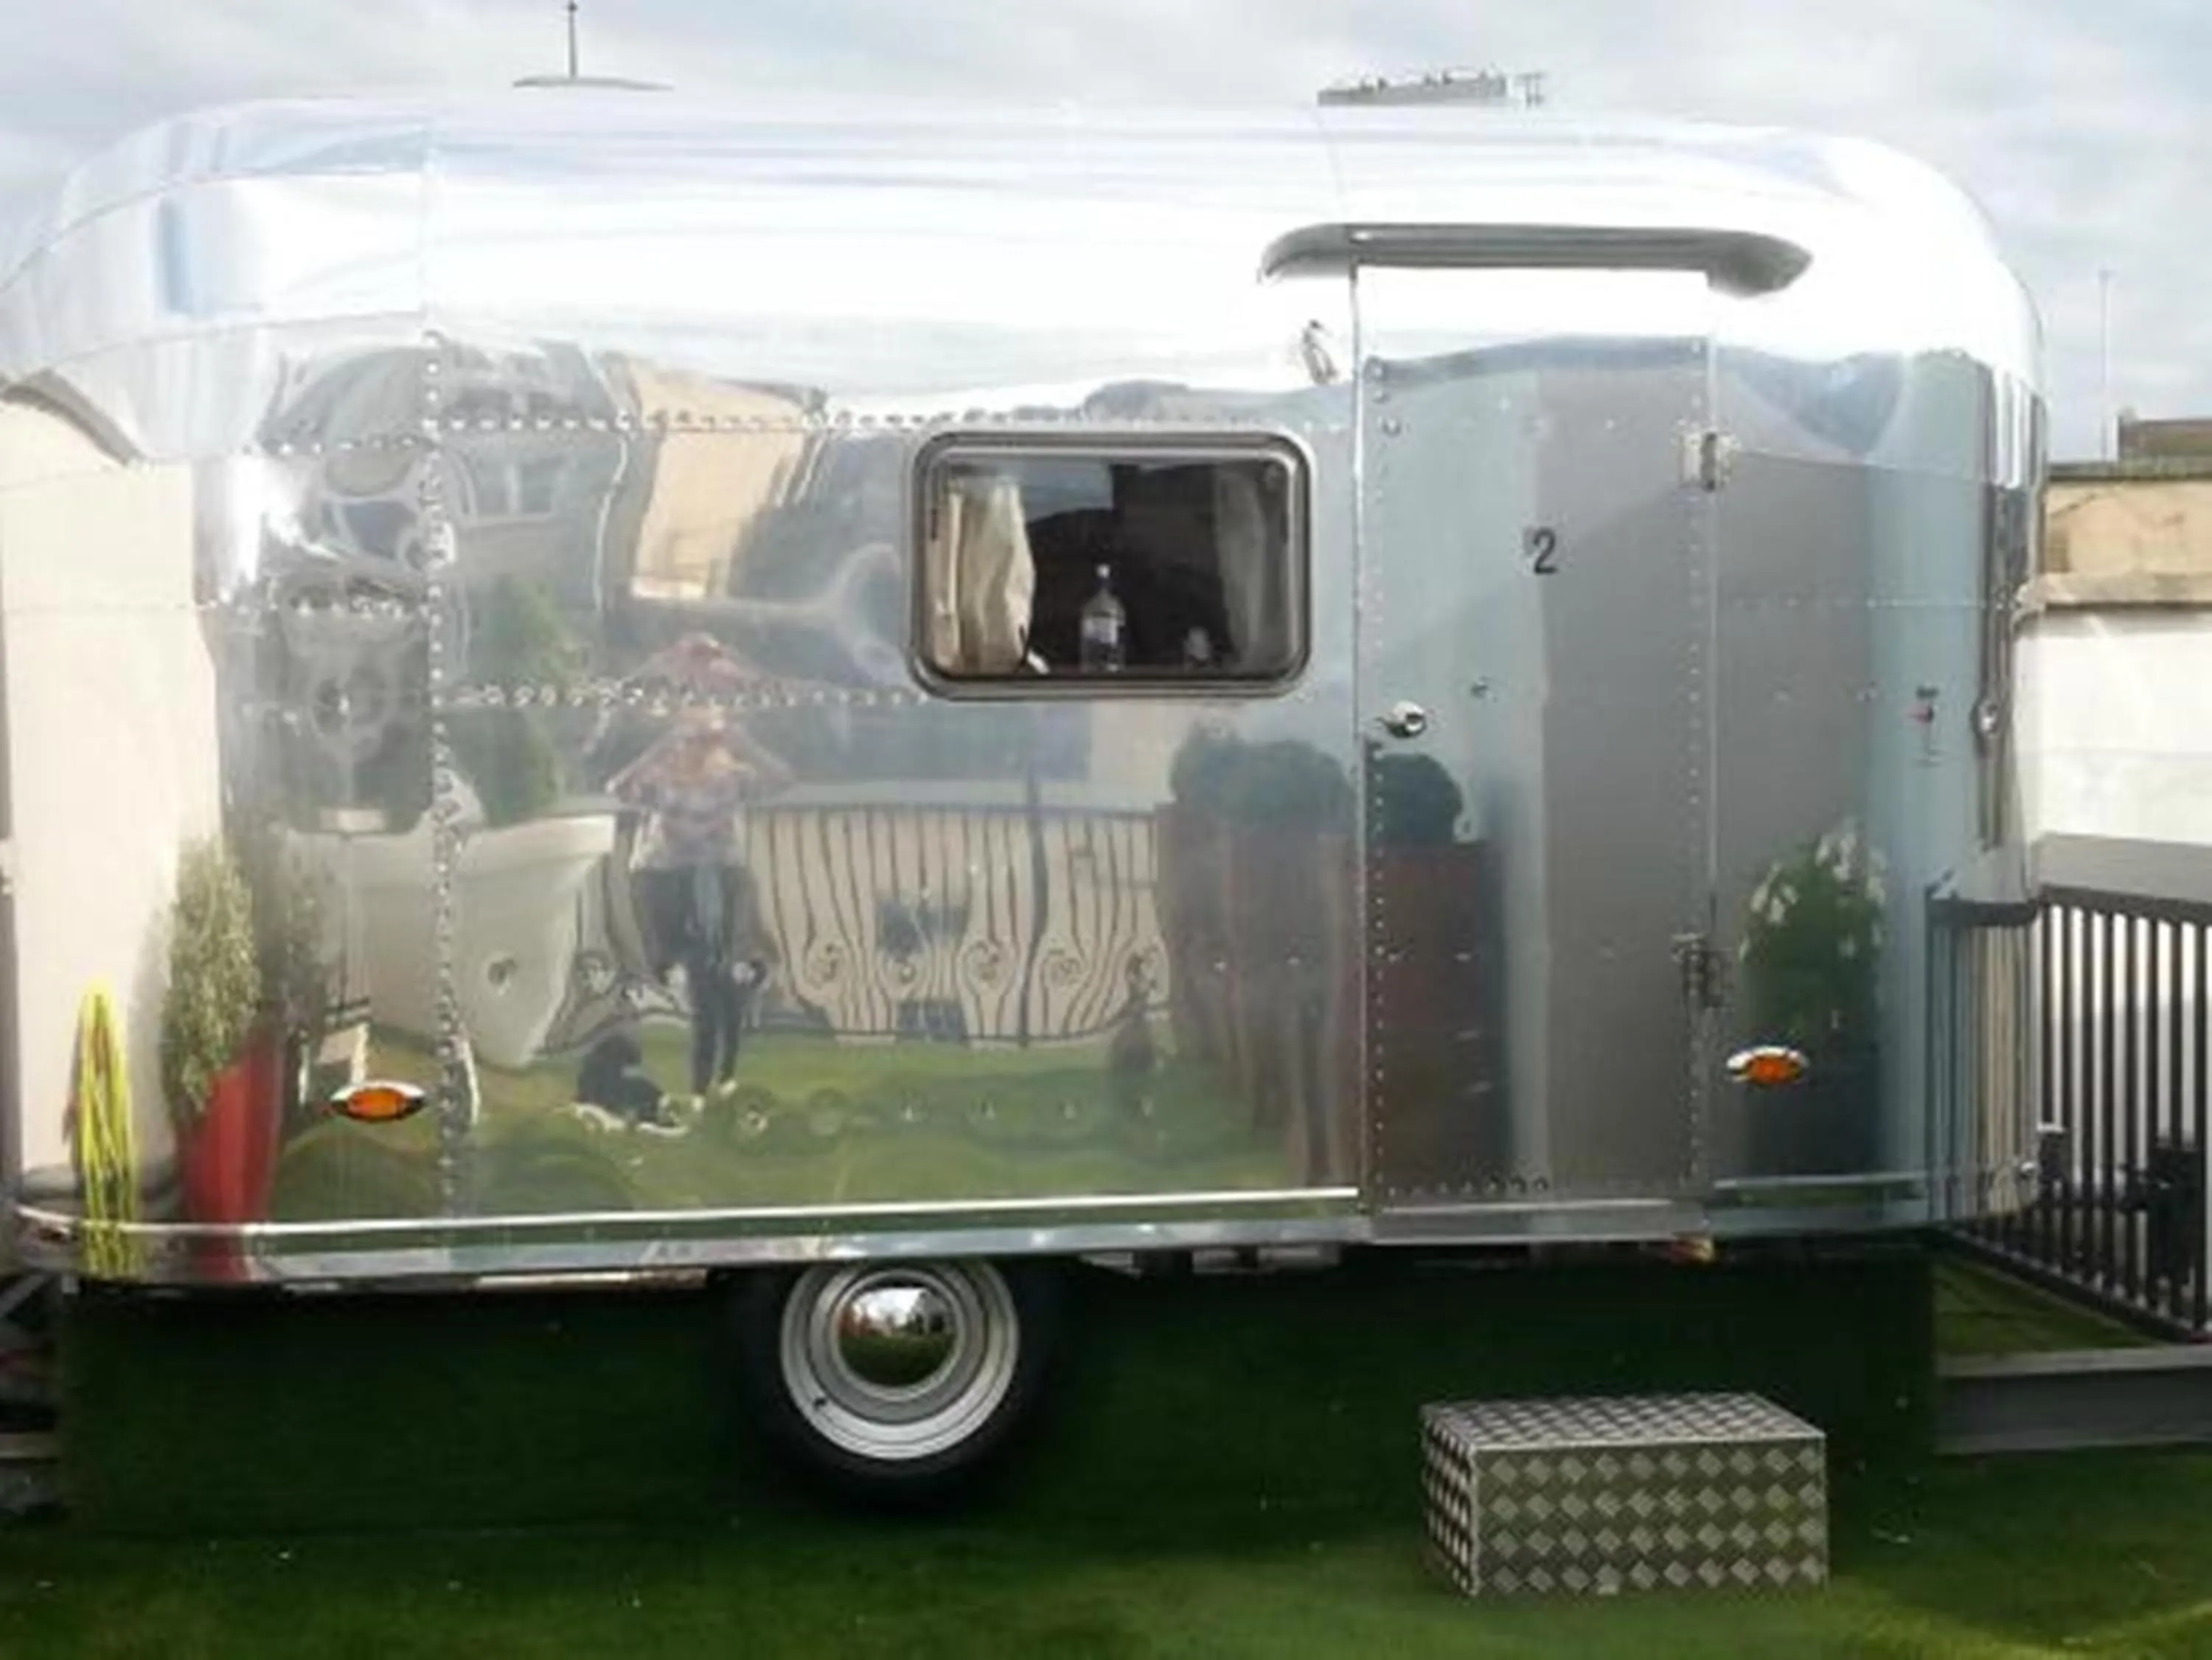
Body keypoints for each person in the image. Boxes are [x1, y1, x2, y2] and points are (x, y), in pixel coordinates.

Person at [608, 707, 793, 1100]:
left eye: (707, 741)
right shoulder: (664, 780)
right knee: (697, 975)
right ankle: (674, 966)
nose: (699, 750)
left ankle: (720, 1071)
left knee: (721, 977)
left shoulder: (730, 779)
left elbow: (783, 780)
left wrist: (747, 746)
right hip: (666, 877)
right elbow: (619, 788)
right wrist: (655, 751)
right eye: (691, 741)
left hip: (718, 874)